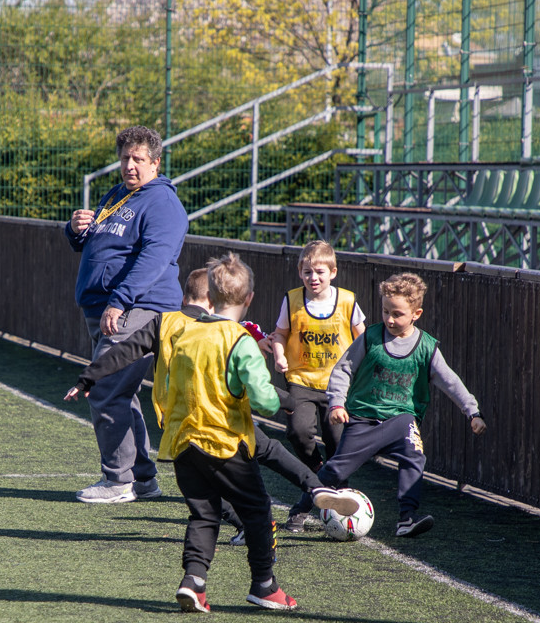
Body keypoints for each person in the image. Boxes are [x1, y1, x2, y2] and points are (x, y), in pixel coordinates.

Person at [64, 268, 354, 546]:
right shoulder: (225, 329)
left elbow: (122, 352)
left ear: (184, 298)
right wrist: (289, 402)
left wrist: (88, 378)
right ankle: (315, 487)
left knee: (203, 488)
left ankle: (243, 527)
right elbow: (254, 381)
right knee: (269, 451)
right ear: (214, 300)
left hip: (183, 424)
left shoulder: (163, 323)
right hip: (228, 417)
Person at [64, 125, 188, 504]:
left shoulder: (162, 203)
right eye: (124, 158)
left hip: (139, 307)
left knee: (104, 388)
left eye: (138, 159)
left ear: (156, 162)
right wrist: (74, 230)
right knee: (122, 393)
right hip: (104, 307)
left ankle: (118, 481)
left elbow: (154, 259)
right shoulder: (118, 194)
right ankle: (143, 479)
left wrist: (120, 300)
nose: (129, 165)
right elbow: (98, 242)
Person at [318, 272, 486, 538]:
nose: (389, 319)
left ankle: (407, 518)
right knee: (337, 469)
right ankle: (301, 508)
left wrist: (472, 412)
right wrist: (337, 403)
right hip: (363, 417)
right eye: (385, 311)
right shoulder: (371, 337)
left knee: (414, 455)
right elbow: (343, 369)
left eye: (397, 314)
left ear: (416, 314)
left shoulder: (426, 347)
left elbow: (450, 381)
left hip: (402, 419)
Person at [268, 240, 366, 531]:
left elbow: (364, 339)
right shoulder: (292, 300)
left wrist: (364, 371)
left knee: (338, 443)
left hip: (338, 386)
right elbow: (279, 334)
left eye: (320, 272)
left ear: (333, 272)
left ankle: (325, 500)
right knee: (298, 431)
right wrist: (279, 355)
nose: (314, 278)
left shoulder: (347, 301)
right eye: (307, 272)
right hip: (301, 380)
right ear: (300, 272)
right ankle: (317, 473)